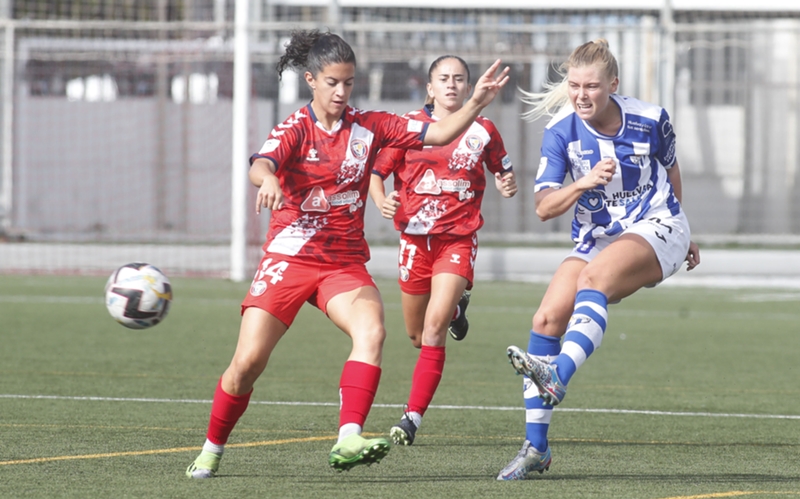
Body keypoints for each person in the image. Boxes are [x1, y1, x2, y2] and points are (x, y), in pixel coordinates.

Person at [184, 29, 509, 478]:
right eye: (332, 82)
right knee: (247, 364)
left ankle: (348, 436)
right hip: (290, 258)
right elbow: (261, 164)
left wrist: (475, 103)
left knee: (372, 332)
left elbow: (436, 132)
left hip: (342, 263)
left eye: (349, 82)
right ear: (311, 80)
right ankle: (212, 447)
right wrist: (270, 180)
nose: (341, 91)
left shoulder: (371, 125)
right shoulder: (295, 129)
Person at [496, 39, 700, 480]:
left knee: (592, 282)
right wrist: (583, 183)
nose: (581, 95)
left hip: (656, 223)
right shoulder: (561, 131)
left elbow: (672, 169)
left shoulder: (650, 119)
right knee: (546, 319)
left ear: (613, 84)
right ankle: (536, 448)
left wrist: (683, 233)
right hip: (597, 238)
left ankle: (558, 375)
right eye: (574, 85)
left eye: (591, 86)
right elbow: (544, 207)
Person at [369, 55, 517, 446]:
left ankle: (411, 418)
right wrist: (379, 198)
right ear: (430, 87)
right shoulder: (409, 127)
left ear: (469, 87)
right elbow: (377, 172)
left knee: (434, 330)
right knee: (417, 335)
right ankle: (456, 310)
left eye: (459, 79)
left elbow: (502, 167)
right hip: (414, 242)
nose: (452, 85)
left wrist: (506, 181)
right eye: (444, 79)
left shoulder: (483, 129)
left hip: (457, 239)